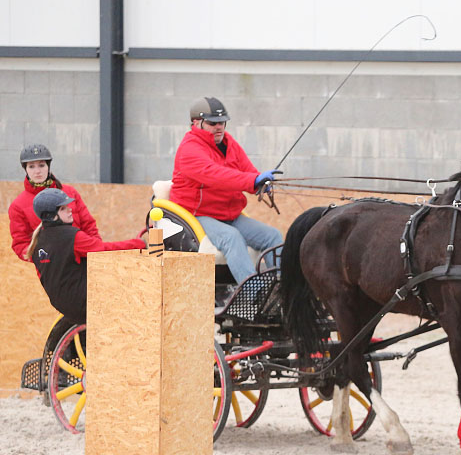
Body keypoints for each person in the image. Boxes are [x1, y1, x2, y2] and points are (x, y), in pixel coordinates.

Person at [168, 96, 283, 286]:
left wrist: (260, 183)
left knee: (272, 236)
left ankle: (283, 290)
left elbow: (247, 170)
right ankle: (254, 294)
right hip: (198, 215)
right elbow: (217, 176)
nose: (219, 127)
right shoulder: (189, 150)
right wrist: (252, 180)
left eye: (222, 122)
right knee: (232, 238)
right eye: (213, 123)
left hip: (229, 214)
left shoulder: (228, 142)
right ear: (197, 123)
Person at [29, 188, 146, 326]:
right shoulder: (72, 237)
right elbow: (104, 249)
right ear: (51, 216)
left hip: (63, 305)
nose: (70, 210)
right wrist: (139, 244)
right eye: (63, 208)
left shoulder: (38, 241)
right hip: (84, 303)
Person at [8, 143, 102, 262]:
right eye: (31, 166)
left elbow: (89, 225)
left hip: (82, 259)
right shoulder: (18, 206)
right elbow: (20, 244)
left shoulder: (70, 193)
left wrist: (94, 251)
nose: (37, 171)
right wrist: (45, 259)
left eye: (41, 165)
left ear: (48, 166)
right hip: (53, 269)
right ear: (25, 169)